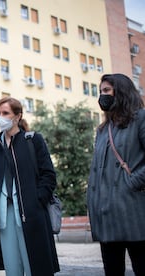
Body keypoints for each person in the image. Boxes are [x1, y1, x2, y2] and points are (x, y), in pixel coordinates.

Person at [0, 97, 59, 276]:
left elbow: (48, 174)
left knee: (35, 266)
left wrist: (37, 199)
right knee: (12, 268)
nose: (1, 117)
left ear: (17, 116)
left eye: (5, 113)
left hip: (31, 212)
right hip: (4, 213)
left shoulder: (32, 140)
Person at [87, 73, 145, 276]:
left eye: (106, 91)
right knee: (112, 271)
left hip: (134, 210)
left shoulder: (140, 118)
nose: (101, 96)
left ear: (120, 92)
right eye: (100, 91)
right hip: (106, 213)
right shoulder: (103, 130)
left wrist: (132, 182)